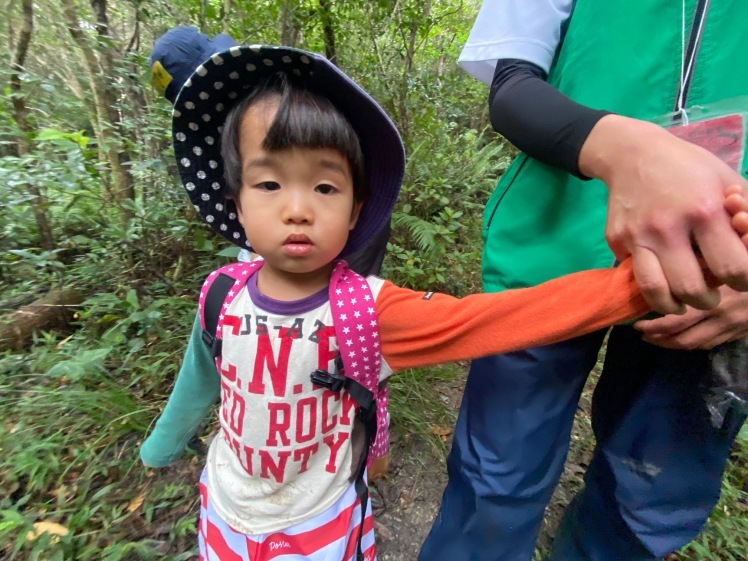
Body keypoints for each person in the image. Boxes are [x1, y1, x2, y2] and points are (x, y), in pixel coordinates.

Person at [138, 44, 667, 561]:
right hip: (225, 507)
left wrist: (639, 283)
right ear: (236, 200)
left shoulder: (366, 309)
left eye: (325, 187)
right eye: (270, 182)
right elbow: (201, 376)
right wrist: (163, 444)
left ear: (354, 209)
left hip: (318, 523)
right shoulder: (222, 294)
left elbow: (494, 321)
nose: (297, 209)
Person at [420, 1, 748, 560]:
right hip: (548, 257)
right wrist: (629, 152)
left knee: (647, 501)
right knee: (494, 478)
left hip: (719, 285)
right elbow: (513, 86)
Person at [149, 26, 391, 275]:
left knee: (342, 290)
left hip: (344, 211)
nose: (297, 211)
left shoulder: (292, 93)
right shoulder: (220, 134)